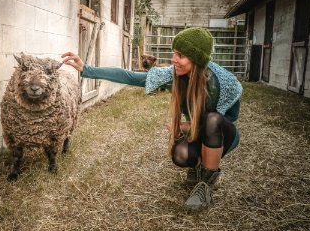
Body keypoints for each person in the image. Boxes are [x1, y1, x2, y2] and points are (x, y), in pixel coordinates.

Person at [61, 27, 242, 211]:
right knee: (181, 155)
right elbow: (129, 76)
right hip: (198, 133)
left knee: (212, 120)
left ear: (196, 59)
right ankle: (197, 168)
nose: (173, 59)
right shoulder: (173, 75)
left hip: (221, 137)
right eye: (174, 53)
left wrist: (190, 126)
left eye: (180, 55)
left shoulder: (223, 82)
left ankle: (206, 186)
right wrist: (86, 69)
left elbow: (229, 118)